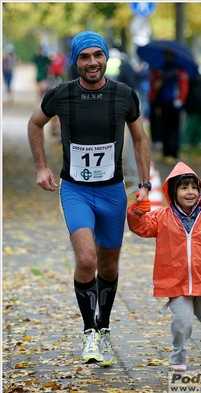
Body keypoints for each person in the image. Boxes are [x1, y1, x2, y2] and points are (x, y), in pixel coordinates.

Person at [28, 31, 151, 367]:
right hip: (76, 190)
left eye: (98, 55)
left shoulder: (124, 95)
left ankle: (105, 327)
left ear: (105, 58)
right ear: (76, 61)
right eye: (85, 57)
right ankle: (89, 332)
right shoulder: (61, 95)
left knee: (109, 264)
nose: (92, 62)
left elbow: (140, 140)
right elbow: (35, 124)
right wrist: (42, 167)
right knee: (86, 261)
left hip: (113, 192)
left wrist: (145, 183)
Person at [127, 161, 201, 371]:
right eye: (184, 187)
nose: (190, 192)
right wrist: (137, 212)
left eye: (194, 187)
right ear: (173, 192)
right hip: (176, 283)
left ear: (200, 191)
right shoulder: (162, 217)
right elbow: (142, 228)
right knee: (183, 323)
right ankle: (179, 358)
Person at [149, 52, 189, 163]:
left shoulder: (179, 70)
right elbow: (155, 84)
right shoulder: (162, 70)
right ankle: (166, 152)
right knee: (164, 128)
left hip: (175, 103)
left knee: (175, 129)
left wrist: (180, 99)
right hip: (164, 102)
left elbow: (183, 86)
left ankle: (174, 153)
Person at [182, 72, 201, 148]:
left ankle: (186, 141)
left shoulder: (190, 80)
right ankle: (197, 141)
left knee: (191, 125)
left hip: (194, 106)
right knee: (200, 126)